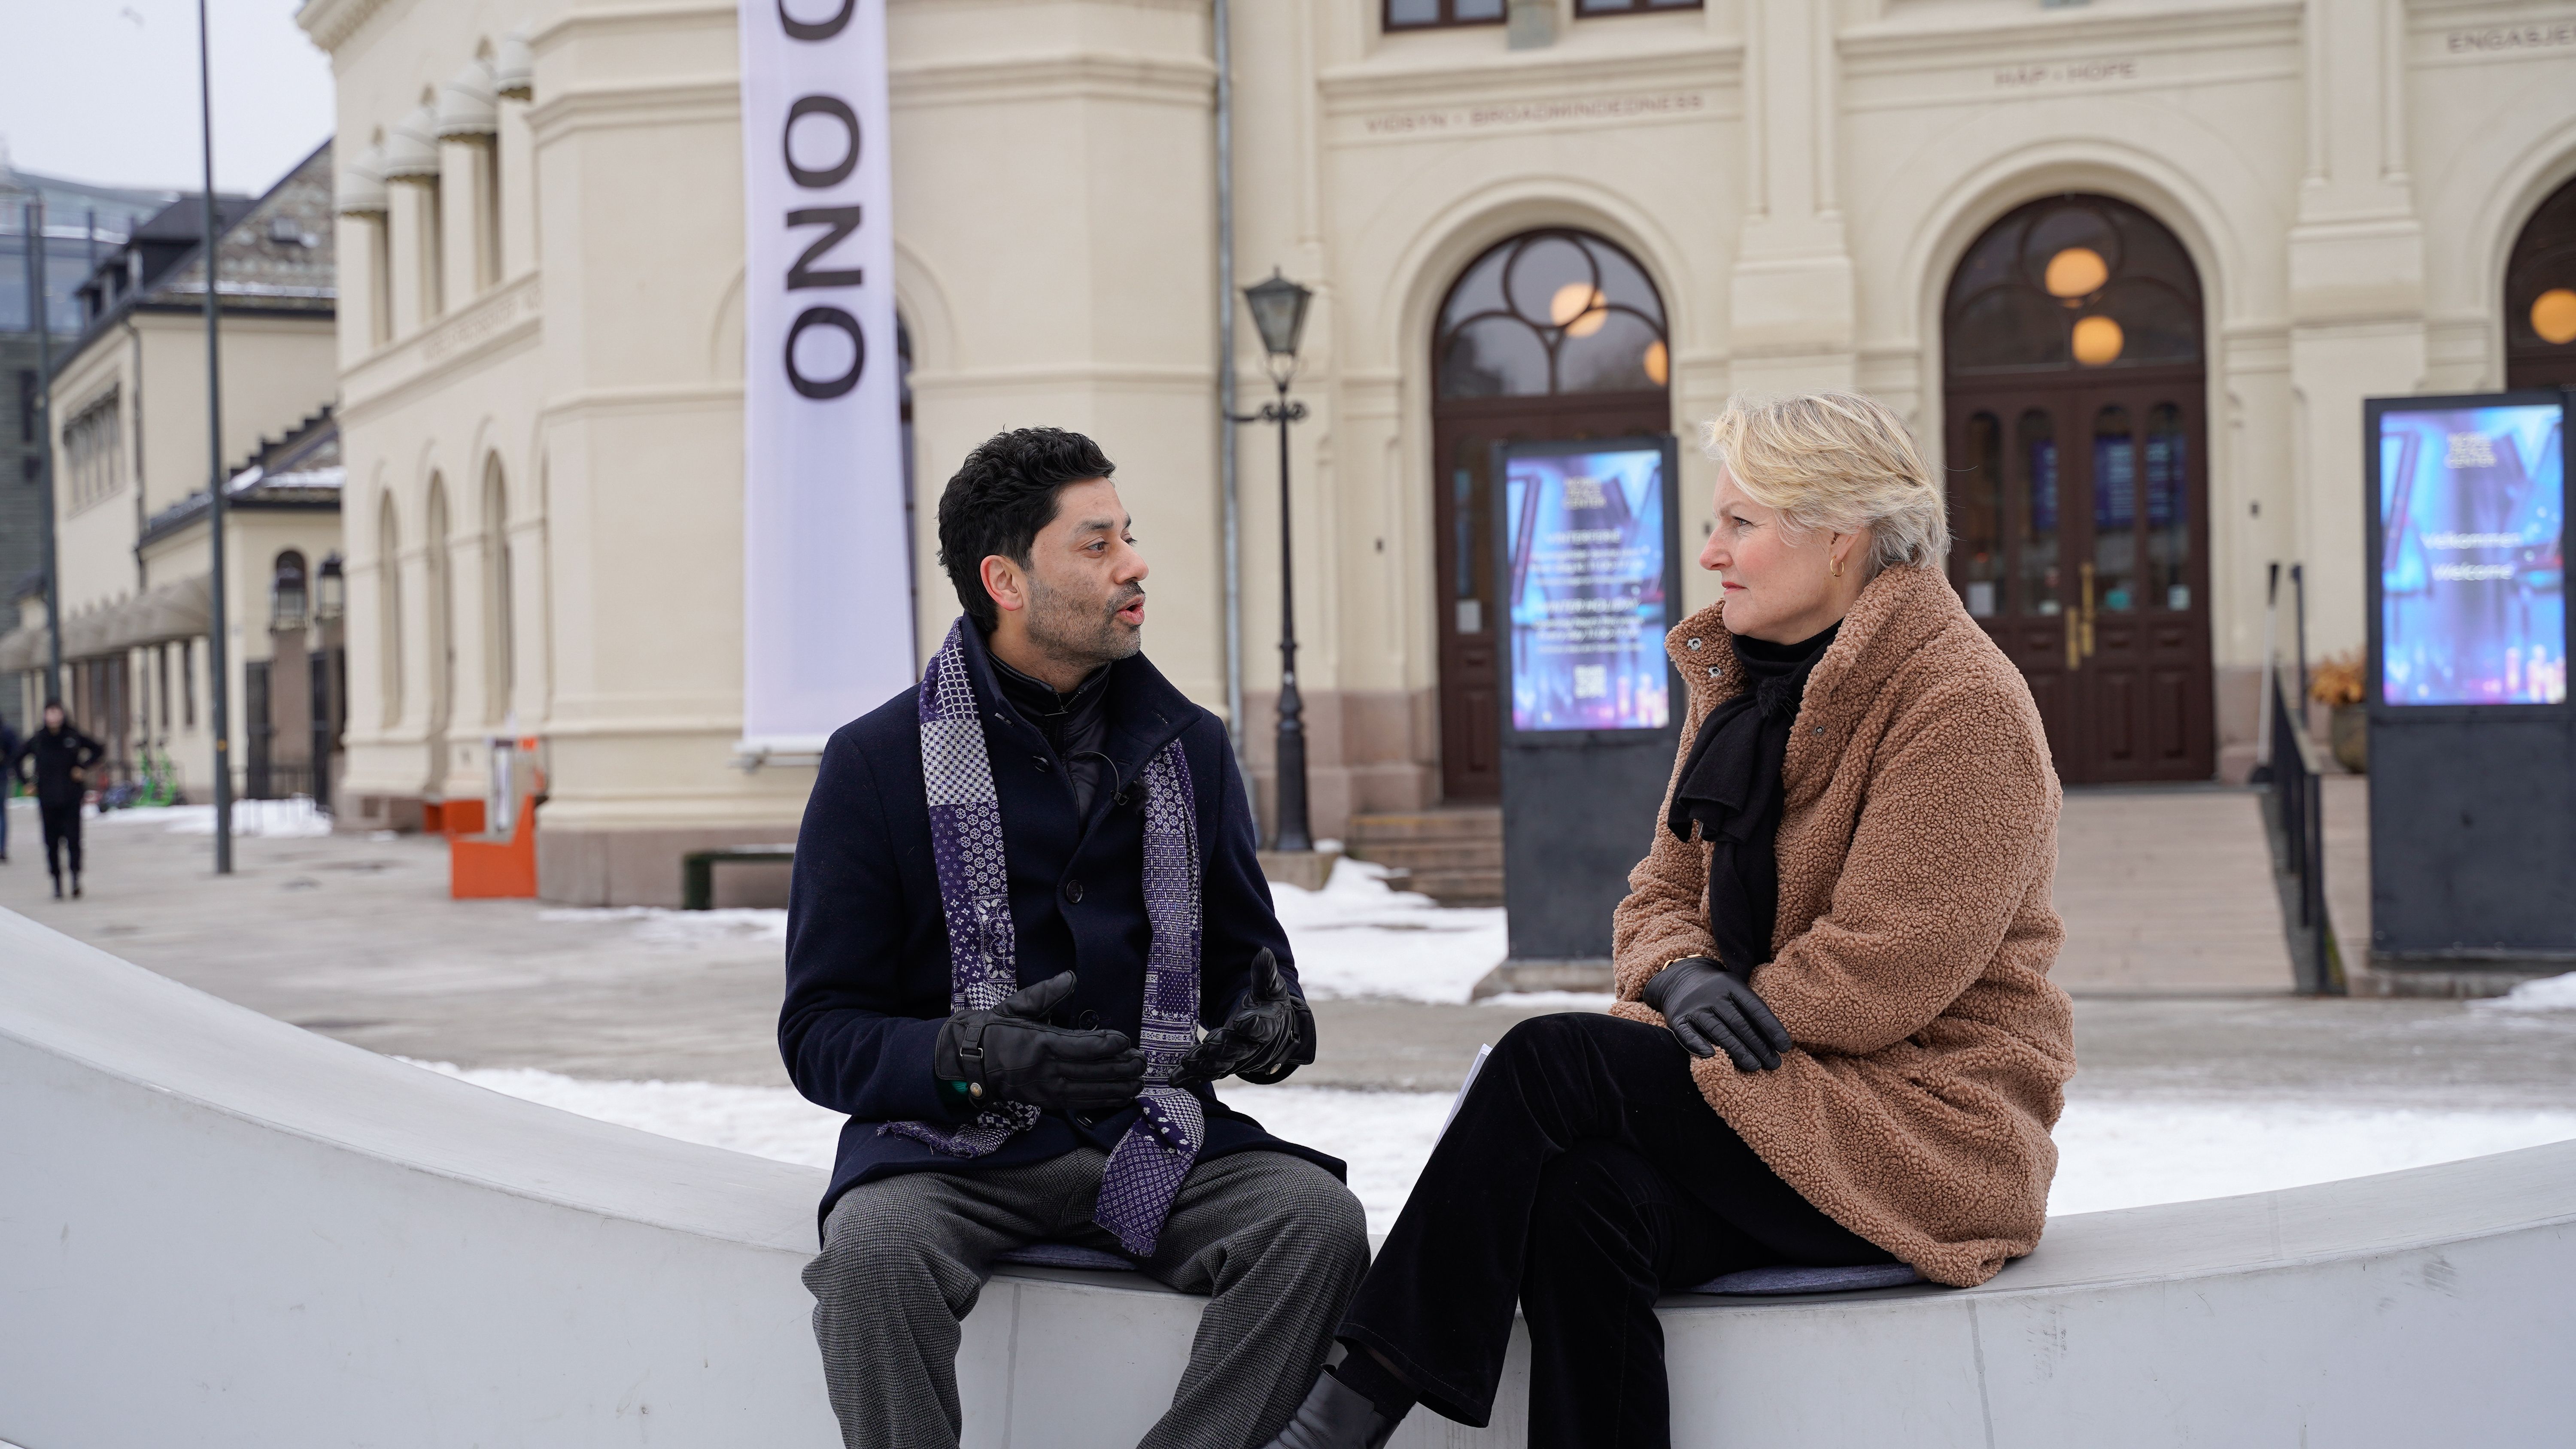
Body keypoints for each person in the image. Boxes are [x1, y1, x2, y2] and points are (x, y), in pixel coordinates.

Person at [1266, 393, 2076, 1449]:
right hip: (1776, 1093)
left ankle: (1344, 1416)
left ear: (1839, 536)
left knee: (1551, 1061)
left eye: (1741, 523)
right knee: (1583, 1200)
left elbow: (1884, 969)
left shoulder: (1960, 699)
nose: (1710, 553)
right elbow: (1656, 896)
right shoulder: (1741, 687)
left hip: (1919, 1128)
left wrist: (1659, 1025)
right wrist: (1678, 976)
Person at [784, 427, 1370, 1449]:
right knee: (874, 1250)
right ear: (1005, 579)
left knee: (1312, 1223)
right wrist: (970, 1053)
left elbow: (1247, 962)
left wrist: (1270, 1019)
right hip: (953, 1154)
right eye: (1096, 545)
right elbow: (820, 1032)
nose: (1134, 564)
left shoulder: (1189, 743)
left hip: (1160, 1133)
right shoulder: (874, 762)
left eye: (1127, 536)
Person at [17, 699, 105, 899]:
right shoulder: (39, 739)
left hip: (71, 797)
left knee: (74, 839)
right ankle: (57, 882)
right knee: (51, 842)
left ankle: (75, 878)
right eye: (50, 713)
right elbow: (18, 758)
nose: (54, 717)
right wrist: (27, 781)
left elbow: (98, 749)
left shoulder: (72, 736)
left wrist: (82, 768)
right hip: (48, 798)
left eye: (57, 712)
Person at [0, 709, 18, 864]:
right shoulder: (7, 732)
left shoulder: (6, 732)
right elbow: (16, 752)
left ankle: (1, 848)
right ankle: (1, 848)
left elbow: (17, 753)